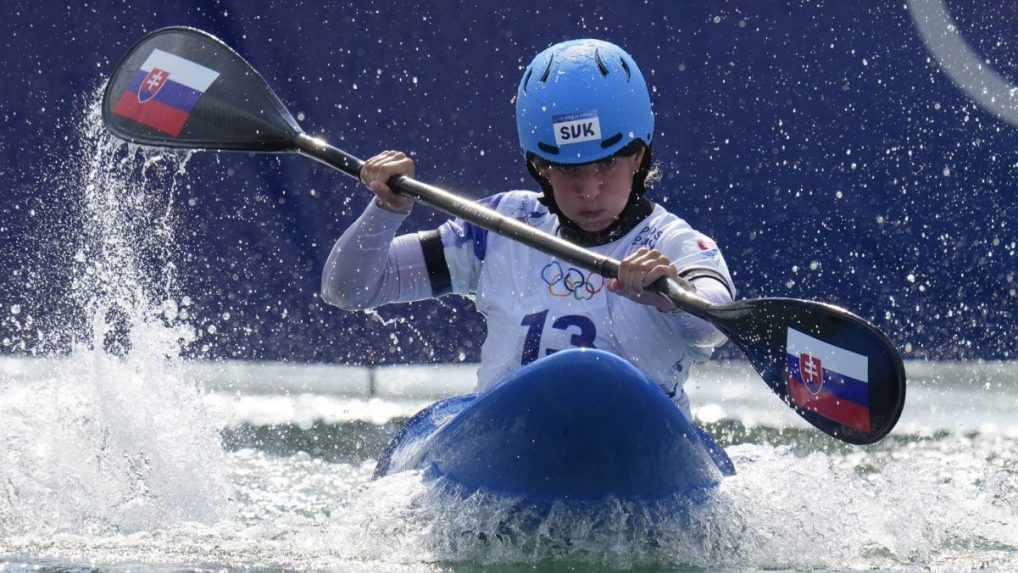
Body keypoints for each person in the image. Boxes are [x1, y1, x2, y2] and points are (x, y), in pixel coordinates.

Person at [322, 39, 735, 418]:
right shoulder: (499, 227)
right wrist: (385, 210)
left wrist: (672, 297)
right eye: (568, 168)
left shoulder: (673, 243)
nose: (589, 190)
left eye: (606, 163)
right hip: (510, 444)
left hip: (641, 444)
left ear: (638, 156)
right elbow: (349, 289)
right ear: (539, 167)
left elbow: (712, 325)